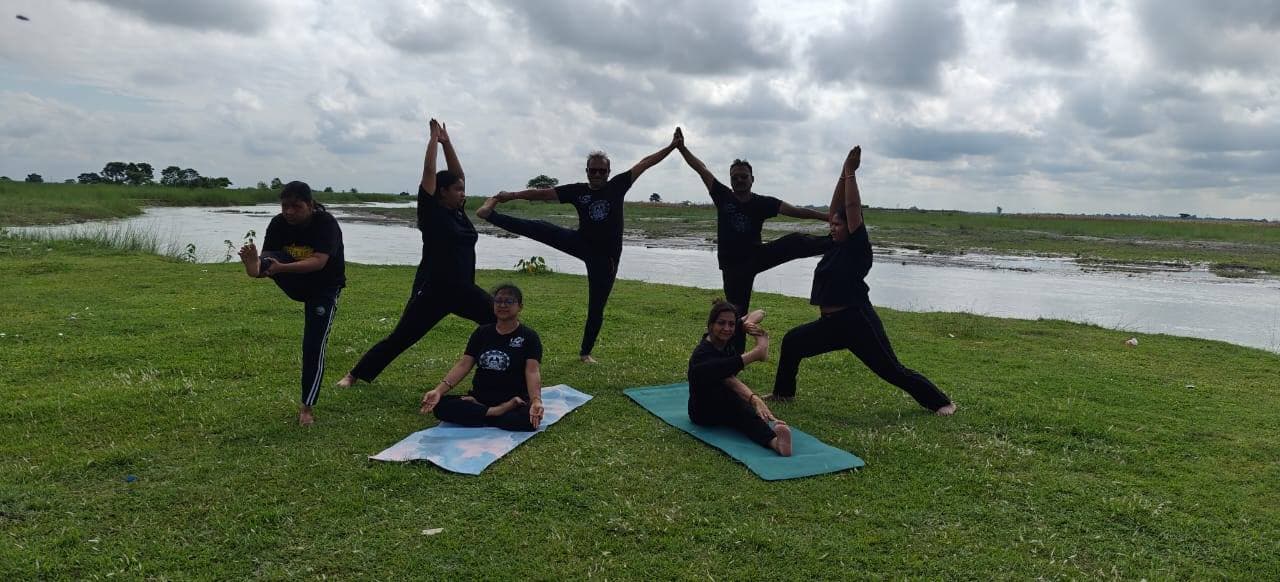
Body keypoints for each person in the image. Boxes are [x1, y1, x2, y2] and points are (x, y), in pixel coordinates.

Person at [767, 146, 957, 417]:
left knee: (892, 370)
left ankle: (941, 402)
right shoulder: (833, 244)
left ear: (852, 227)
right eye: (831, 225)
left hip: (856, 322)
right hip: (830, 324)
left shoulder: (856, 247)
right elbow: (837, 208)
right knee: (793, 342)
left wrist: (851, 173)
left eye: (838, 225)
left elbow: (852, 208)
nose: (833, 227)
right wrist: (842, 172)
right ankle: (783, 394)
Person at [474, 131, 680, 363]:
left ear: (608, 172)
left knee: (596, 305)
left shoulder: (617, 185)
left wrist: (672, 147)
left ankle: (585, 353)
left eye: (602, 171)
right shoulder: (578, 191)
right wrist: (511, 195)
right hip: (581, 243)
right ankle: (489, 214)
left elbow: (645, 163)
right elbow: (542, 194)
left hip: (606, 258)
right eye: (593, 170)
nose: (598, 174)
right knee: (540, 227)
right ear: (587, 171)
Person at [336, 119, 494, 388]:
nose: (462, 193)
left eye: (462, 190)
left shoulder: (458, 211)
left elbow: (459, 174)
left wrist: (447, 141)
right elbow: (429, 171)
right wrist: (432, 140)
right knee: (401, 338)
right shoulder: (432, 213)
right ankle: (354, 375)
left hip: (464, 290)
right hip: (433, 291)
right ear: (442, 192)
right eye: (457, 190)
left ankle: (498, 368)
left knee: (499, 320)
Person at [674, 128, 835, 352]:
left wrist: (825, 217)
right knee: (736, 314)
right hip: (733, 267)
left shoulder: (762, 203)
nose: (739, 181)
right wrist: (682, 148)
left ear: (752, 179)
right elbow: (701, 169)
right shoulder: (723, 196)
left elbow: (795, 211)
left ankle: (834, 242)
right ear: (730, 180)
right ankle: (731, 357)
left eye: (743, 177)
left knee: (796, 241)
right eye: (735, 178)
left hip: (757, 256)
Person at [237, 181, 345, 426]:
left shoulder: (326, 223)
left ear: (310, 204)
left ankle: (307, 408)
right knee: (268, 259)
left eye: (296, 206)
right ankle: (253, 269)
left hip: (323, 286)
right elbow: (270, 256)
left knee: (313, 344)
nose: (289, 212)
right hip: (293, 279)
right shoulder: (278, 223)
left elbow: (318, 261)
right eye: (285, 206)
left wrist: (280, 268)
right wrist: (263, 265)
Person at [418, 284, 544, 431]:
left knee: (527, 421)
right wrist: (438, 391)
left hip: (513, 398)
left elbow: (532, 371)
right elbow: (464, 365)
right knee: (440, 406)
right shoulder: (482, 333)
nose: (502, 305)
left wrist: (536, 401)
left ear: (520, 307)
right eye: (498, 301)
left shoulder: (529, 336)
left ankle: (481, 414)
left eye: (508, 301)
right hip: (480, 398)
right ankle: (495, 412)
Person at [687, 300, 792, 456]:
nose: (727, 328)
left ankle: (776, 439)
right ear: (710, 325)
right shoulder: (702, 356)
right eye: (721, 323)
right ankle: (774, 442)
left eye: (731, 324)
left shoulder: (729, 333)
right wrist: (758, 351)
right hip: (703, 411)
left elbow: (760, 312)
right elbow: (729, 379)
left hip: (724, 396)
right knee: (741, 408)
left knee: (744, 408)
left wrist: (748, 323)